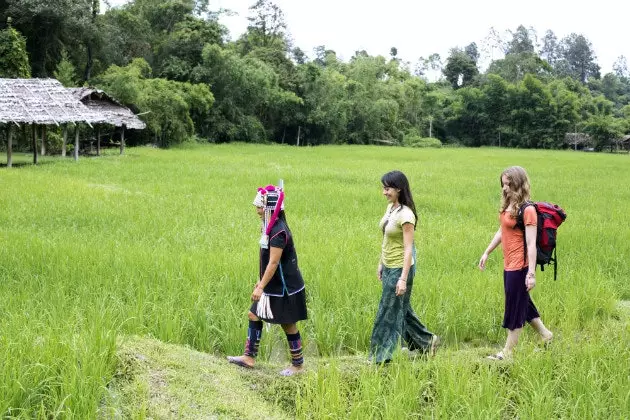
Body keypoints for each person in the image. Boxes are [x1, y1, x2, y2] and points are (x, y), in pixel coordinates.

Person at [227, 183, 307, 376]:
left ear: (270, 208)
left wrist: (260, 286)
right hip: (273, 285)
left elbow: (273, 263)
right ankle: (249, 357)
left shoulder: (278, 232)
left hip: (284, 288)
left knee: (288, 324)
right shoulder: (269, 227)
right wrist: (261, 282)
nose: (257, 210)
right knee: (253, 314)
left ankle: (297, 365)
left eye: (260, 207)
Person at [479, 166, 553, 360]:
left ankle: (508, 352)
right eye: (503, 184)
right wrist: (487, 252)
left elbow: (530, 243)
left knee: (515, 306)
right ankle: (546, 335)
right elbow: (502, 231)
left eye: (509, 184)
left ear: (519, 184)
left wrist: (531, 274)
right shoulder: (509, 205)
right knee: (523, 303)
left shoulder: (527, 210)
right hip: (508, 263)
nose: (504, 188)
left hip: (520, 266)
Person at [369, 170, 439, 364]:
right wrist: (381, 263)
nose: (384, 192)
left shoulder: (407, 215)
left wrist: (402, 279)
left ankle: (380, 356)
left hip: (401, 267)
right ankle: (427, 342)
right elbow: (386, 239)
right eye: (383, 188)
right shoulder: (391, 208)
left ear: (399, 189)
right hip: (389, 265)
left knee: (387, 311)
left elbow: (408, 249)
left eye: (387, 188)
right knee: (402, 309)